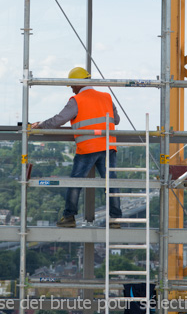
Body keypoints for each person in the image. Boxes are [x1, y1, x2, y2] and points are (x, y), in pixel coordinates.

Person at [31, 66, 122, 229]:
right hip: (108, 146)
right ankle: (115, 219)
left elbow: (59, 120)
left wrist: (40, 126)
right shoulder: (106, 97)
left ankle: (69, 217)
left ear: (78, 83)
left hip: (88, 147)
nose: (72, 89)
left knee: (76, 182)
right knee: (111, 182)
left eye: (72, 85)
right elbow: (116, 120)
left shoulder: (77, 100)